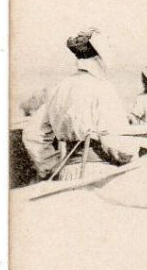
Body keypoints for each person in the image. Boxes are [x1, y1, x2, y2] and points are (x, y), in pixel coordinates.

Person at [24, 30, 137, 180]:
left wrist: (51, 166)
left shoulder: (60, 88)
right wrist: (130, 156)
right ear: (100, 58)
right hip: (100, 174)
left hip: (67, 174)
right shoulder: (103, 87)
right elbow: (116, 141)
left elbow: (33, 133)